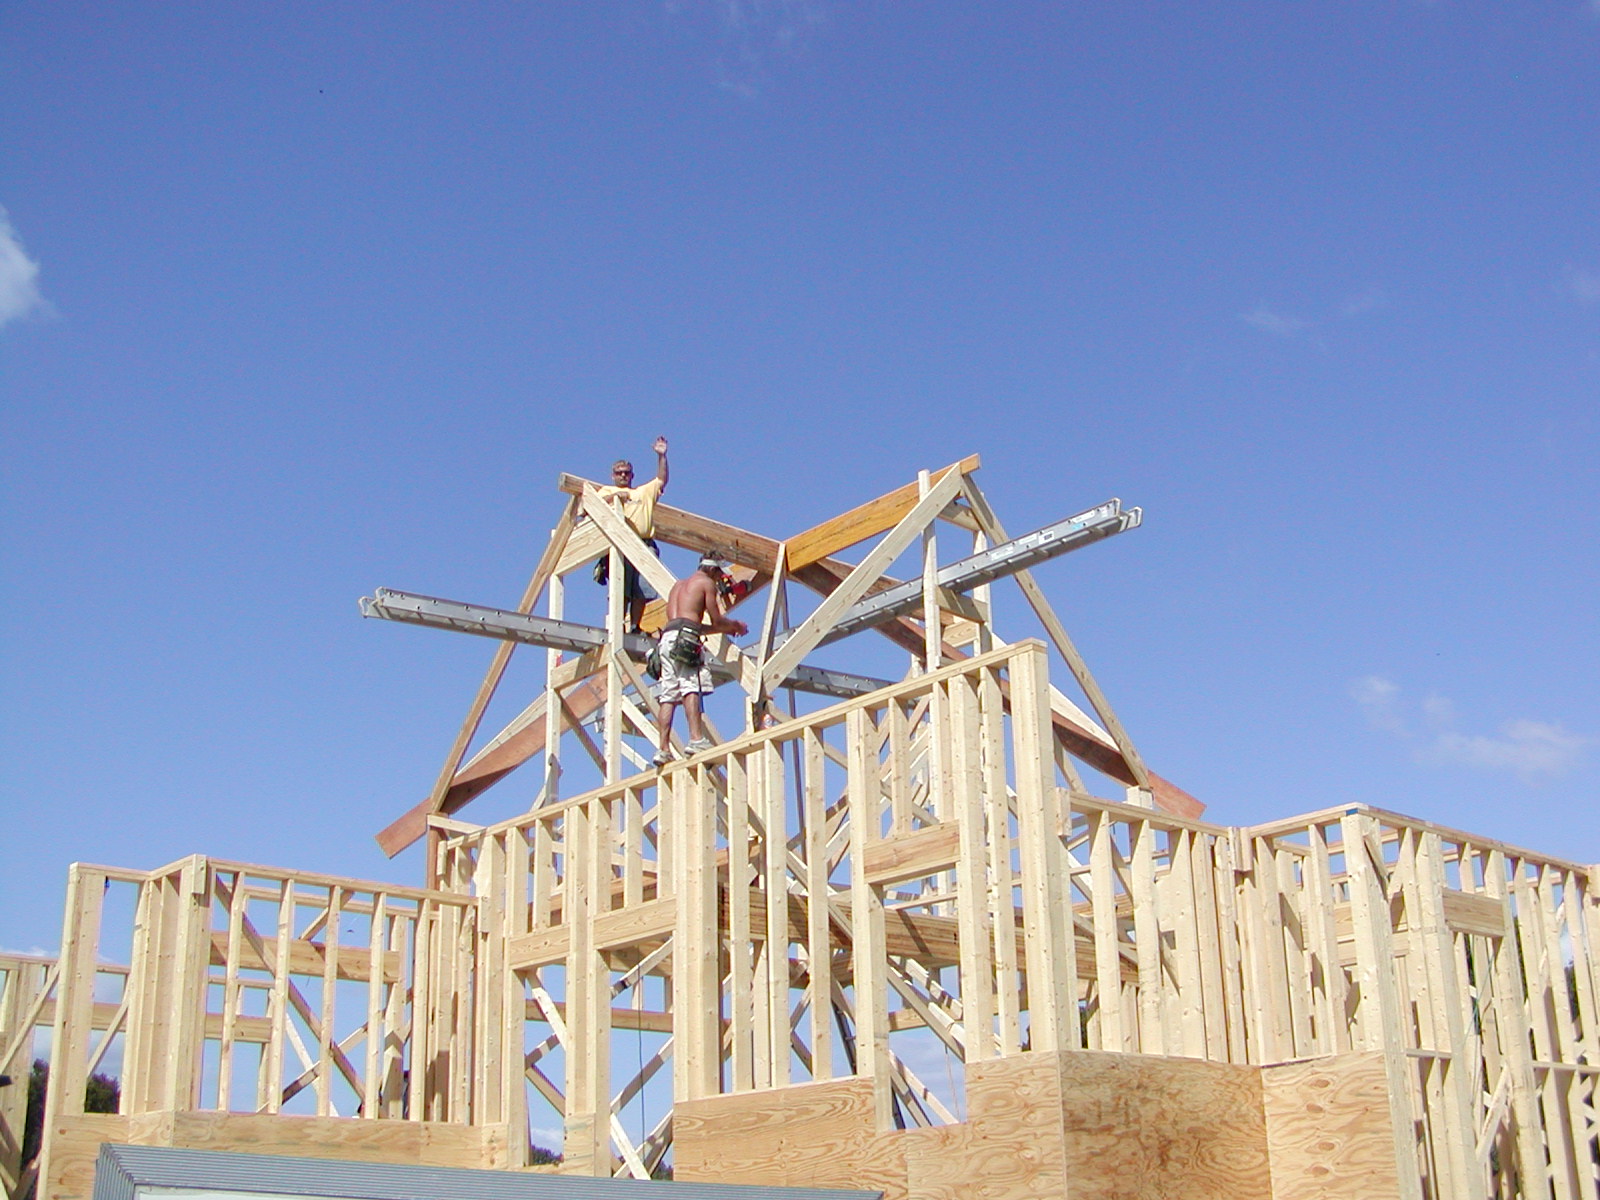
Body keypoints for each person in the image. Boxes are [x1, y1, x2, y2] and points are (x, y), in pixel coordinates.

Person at [653, 553, 748, 767]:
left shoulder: (678, 586)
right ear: (713, 569)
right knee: (690, 687)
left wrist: (724, 629)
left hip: (667, 639)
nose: (718, 579)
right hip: (685, 640)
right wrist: (735, 626)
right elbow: (717, 620)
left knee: (668, 694)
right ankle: (696, 739)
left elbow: (690, 624)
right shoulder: (706, 584)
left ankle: (663, 749)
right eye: (718, 574)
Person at [593, 436, 669, 634]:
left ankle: (635, 626)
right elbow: (591, 508)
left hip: (644, 544)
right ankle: (617, 626)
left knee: (642, 589)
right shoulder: (605, 491)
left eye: (626, 473)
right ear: (613, 476)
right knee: (622, 588)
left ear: (632, 475)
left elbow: (661, 480)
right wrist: (615, 497)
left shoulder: (642, 493)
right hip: (622, 544)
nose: (623, 476)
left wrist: (662, 456)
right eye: (619, 473)